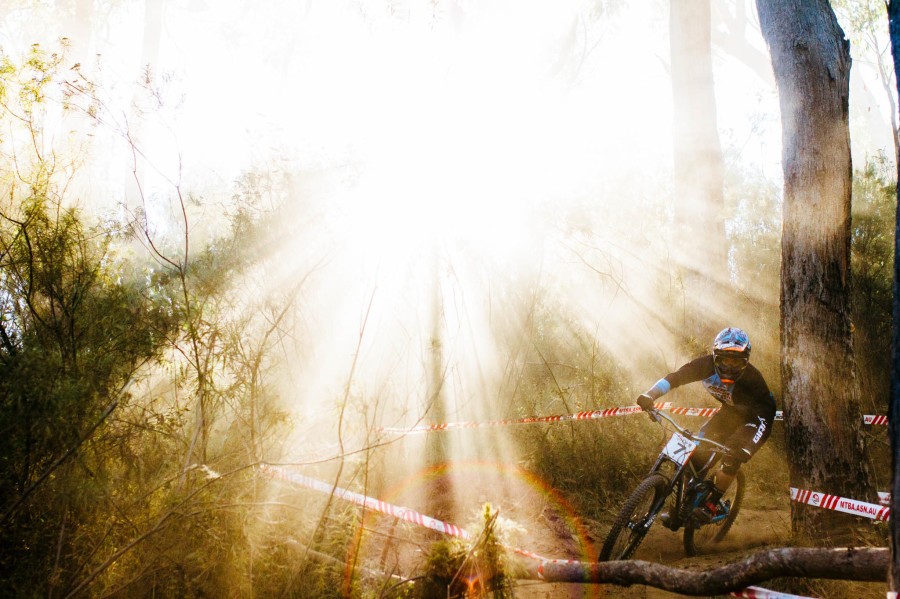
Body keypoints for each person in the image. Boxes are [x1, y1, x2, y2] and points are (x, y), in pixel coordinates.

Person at [636, 327, 776, 523]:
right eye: (725, 359)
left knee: (733, 454)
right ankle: (683, 505)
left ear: (745, 361)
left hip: (758, 416)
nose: (729, 366)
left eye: (735, 360)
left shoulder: (752, 379)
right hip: (730, 413)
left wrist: (746, 446)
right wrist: (649, 395)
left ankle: (711, 506)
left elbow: (764, 413)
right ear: (714, 357)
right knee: (695, 457)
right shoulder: (704, 365)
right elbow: (674, 378)